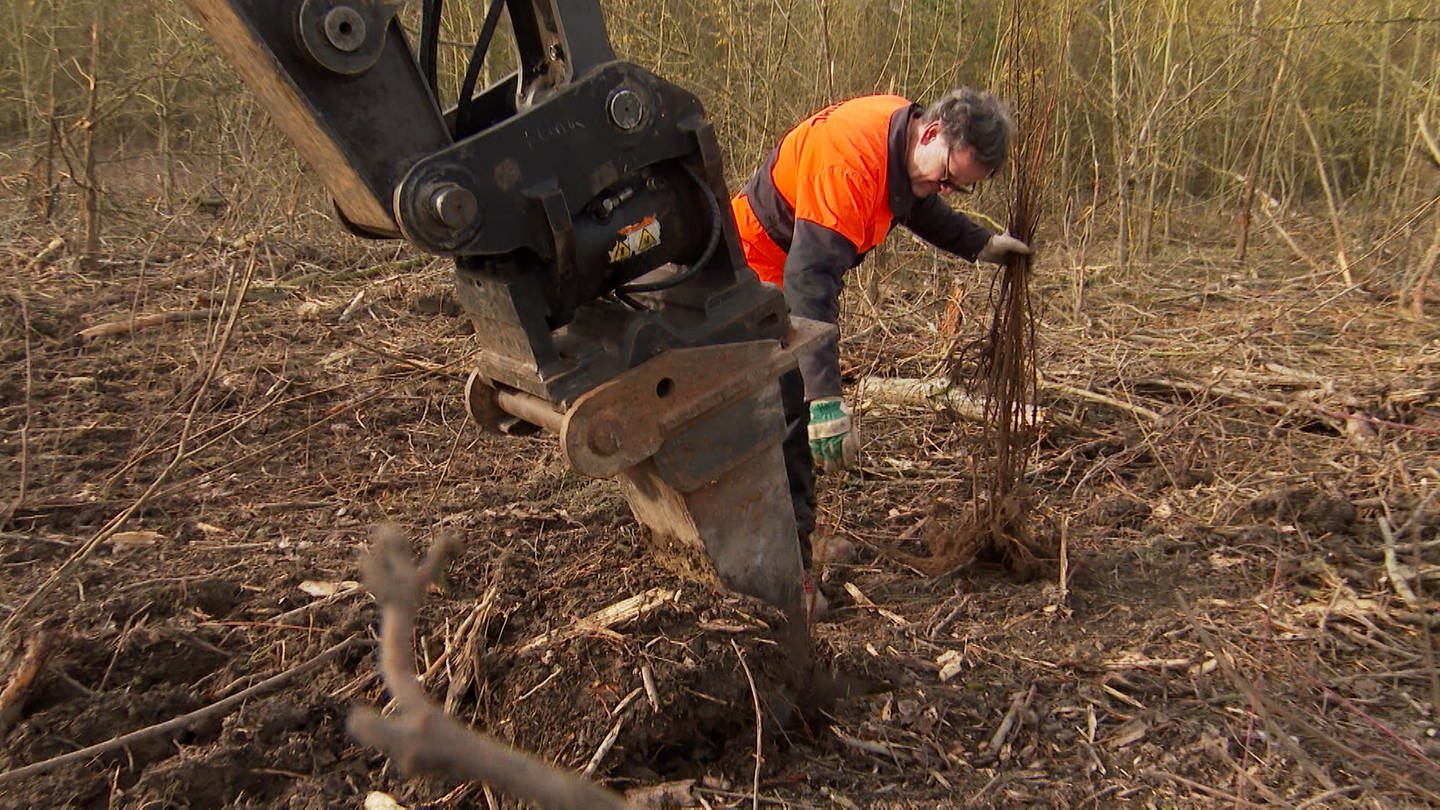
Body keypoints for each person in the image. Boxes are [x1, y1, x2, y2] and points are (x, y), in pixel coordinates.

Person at [730, 88, 1030, 617]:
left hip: (787, 277)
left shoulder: (906, 143)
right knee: (786, 420)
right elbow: (809, 282)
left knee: (793, 418)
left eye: (957, 188)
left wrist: (979, 245)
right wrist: (826, 400)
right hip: (756, 275)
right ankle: (787, 575)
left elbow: (918, 205)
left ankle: (802, 540)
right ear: (933, 133)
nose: (943, 190)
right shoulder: (851, 163)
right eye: (945, 179)